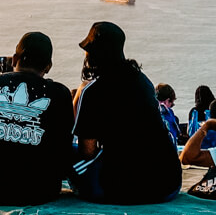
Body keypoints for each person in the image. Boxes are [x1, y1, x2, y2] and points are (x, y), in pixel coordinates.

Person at [0, 32, 75, 205]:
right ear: (48, 66)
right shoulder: (59, 94)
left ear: (15, 59)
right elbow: (64, 148)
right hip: (38, 192)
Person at [72, 22, 181, 204]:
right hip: (169, 184)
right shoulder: (144, 81)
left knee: (69, 153)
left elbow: (87, 152)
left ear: (94, 53)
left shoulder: (93, 91)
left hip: (125, 189)